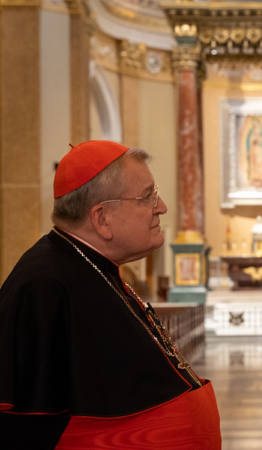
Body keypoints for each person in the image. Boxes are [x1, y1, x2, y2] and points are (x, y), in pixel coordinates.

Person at [0, 141, 221, 450]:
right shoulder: (43, 288)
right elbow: (28, 427)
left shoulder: (94, 265)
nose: (162, 207)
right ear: (102, 219)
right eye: (148, 196)